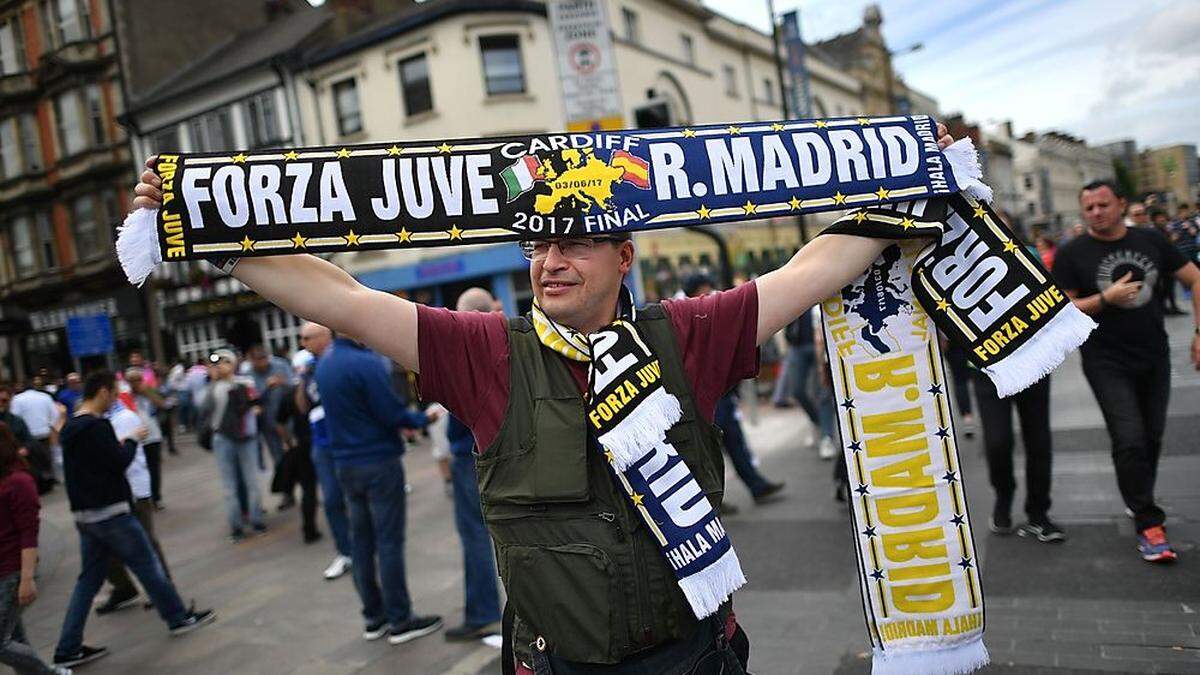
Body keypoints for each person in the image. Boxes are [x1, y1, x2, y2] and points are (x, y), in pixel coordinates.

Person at [130, 123, 955, 673]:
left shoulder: (686, 334)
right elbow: (340, 299)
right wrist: (204, 231)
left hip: (693, 657)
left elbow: (809, 271)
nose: (550, 260)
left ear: (625, 255)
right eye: (537, 243)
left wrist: (921, 175)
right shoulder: (484, 350)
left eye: (576, 242)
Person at [1053, 180, 1200, 563]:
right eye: (1089, 209)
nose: (1096, 213)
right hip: (1105, 360)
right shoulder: (1072, 254)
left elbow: (1195, 278)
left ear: (1121, 203)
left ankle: (1139, 499)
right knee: (1129, 436)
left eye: (1103, 205)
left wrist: (1199, 333)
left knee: (1151, 437)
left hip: (1154, 354)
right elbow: (1064, 312)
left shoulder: (1150, 240)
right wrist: (1106, 298)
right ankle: (1149, 524)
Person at [53, 371, 214, 668]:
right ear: (102, 392)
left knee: (87, 581)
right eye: (113, 393)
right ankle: (178, 617)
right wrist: (129, 441)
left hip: (85, 515)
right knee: (148, 565)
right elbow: (117, 463)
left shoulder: (71, 427)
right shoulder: (97, 426)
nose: (115, 399)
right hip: (112, 514)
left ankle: (68, 647)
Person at [314, 335, 441, 645]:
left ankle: (374, 617)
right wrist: (422, 418)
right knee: (388, 541)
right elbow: (390, 413)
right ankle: (400, 619)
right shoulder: (366, 363)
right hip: (377, 462)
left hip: (346, 463)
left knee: (361, 542)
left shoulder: (326, 362)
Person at [684, 274, 786, 509]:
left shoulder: (710, 315)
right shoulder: (688, 320)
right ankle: (709, 502)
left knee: (735, 444)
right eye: (703, 290)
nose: (708, 294)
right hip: (707, 398)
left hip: (724, 396)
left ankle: (756, 485)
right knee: (707, 454)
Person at [442, 288, 505, 644]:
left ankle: (483, 614)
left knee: (475, 535)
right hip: (499, 449)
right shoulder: (507, 337)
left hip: (470, 453)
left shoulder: (463, 348)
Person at [0, 423, 71, 675]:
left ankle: (49, 673)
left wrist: (27, 578)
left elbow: (28, 533)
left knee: (2, 642)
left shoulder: (18, 482)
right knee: (14, 638)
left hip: (12, 570)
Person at [94, 396, 174, 614]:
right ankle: (123, 587)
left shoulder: (124, 418)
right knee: (105, 547)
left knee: (145, 541)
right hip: (112, 494)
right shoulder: (101, 421)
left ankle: (163, 586)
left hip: (134, 491)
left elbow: (116, 455)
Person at [296, 322, 354, 580]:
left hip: (345, 440)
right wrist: (301, 380)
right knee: (331, 499)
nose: (304, 343)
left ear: (323, 337)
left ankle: (360, 546)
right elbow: (302, 406)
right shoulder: (309, 368)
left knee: (355, 496)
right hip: (321, 442)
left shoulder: (340, 362)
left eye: (308, 337)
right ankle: (346, 550)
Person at [199, 349, 267, 542]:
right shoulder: (213, 387)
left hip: (246, 437)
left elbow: (257, 404)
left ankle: (256, 520)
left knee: (251, 481)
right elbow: (204, 411)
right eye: (217, 363)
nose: (220, 366)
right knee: (229, 486)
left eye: (224, 362)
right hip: (223, 438)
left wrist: (254, 409)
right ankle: (236, 526)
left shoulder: (245, 383)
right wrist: (213, 382)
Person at [274, 352, 322, 544]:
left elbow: (279, 422)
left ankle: (309, 530)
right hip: (322, 443)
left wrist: (288, 442)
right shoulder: (320, 387)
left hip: (302, 445)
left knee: (308, 490)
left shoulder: (290, 393)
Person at [242, 343, 295, 510]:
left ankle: (308, 489)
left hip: (288, 420)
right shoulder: (248, 374)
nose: (262, 363)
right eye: (257, 360)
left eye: (264, 358)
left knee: (299, 455)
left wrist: (283, 382)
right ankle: (288, 494)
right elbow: (252, 399)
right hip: (267, 423)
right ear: (251, 360)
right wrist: (267, 387)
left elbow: (294, 386)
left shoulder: (280, 365)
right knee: (279, 459)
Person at [124, 368, 166, 508]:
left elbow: (162, 404)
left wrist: (147, 392)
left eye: (138, 380)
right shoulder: (126, 396)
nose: (136, 383)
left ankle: (156, 497)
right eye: (132, 381)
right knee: (139, 468)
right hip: (135, 436)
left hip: (153, 435)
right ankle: (142, 497)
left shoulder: (149, 391)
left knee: (154, 468)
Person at [11, 382, 59, 494]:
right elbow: (54, 413)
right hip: (44, 432)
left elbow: (14, 415)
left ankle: (36, 483)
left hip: (28, 434)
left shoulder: (17, 399)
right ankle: (48, 479)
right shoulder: (45, 397)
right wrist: (49, 425)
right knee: (46, 457)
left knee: (32, 461)